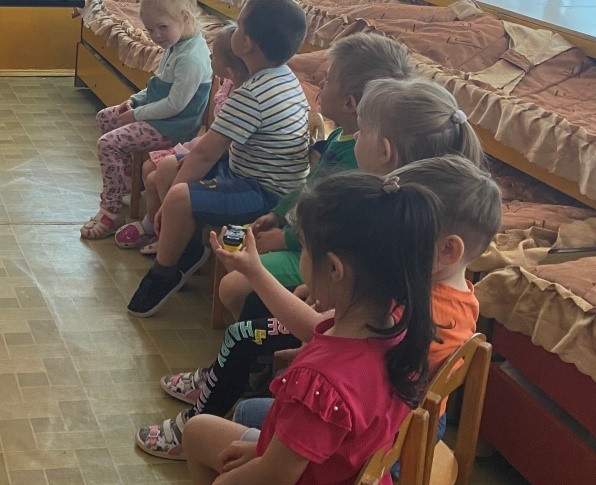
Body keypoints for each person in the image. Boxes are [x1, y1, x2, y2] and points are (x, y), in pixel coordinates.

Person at [142, 75, 485, 457]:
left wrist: (261, 273)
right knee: (250, 350)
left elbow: (328, 330)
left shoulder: (413, 295)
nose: (355, 138)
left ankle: (199, 424)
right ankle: (227, 393)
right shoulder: (424, 261)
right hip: (380, 411)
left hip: (376, 439)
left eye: (363, 132)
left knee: (244, 338)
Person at [123, 171, 439, 485]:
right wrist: (254, 271)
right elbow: (311, 326)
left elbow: (274, 478)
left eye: (304, 249)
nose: (300, 258)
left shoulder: (321, 380)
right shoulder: (391, 328)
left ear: (334, 269)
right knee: (199, 430)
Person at [228, 154, 500, 432]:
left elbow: (315, 329)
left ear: (448, 250)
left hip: (389, 432)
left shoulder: (413, 309)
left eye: (401, 235)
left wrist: (255, 272)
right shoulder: (458, 294)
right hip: (415, 418)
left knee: (247, 412)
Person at [127, 0, 309, 316]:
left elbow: (204, 155)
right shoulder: (282, 76)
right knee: (168, 168)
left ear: (246, 43)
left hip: (264, 191)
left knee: (179, 196)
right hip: (246, 172)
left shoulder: (252, 94)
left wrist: (168, 205)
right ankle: (187, 246)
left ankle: (165, 272)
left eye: (239, 25)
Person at [216, 33, 414, 316]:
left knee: (233, 284)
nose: (320, 83)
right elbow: (309, 187)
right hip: (301, 235)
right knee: (233, 244)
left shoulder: (360, 161)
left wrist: (283, 239)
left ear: (350, 103)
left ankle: (264, 331)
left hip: (317, 252)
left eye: (329, 79)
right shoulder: (339, 136)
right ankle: (262, 318)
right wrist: (276, 214)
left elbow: (336, 224)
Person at [83, 0, 213, 240]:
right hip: (160, 116)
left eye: (162, 27)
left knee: (108, 144)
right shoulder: (176, 45)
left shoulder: (191, 59)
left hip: (173, 127)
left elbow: (175, 105)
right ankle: (126, 178)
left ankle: (111, 211)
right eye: (150, 30)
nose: (156, 36)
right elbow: (158, 85)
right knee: (106, 117)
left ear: (184, 18)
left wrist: (137, 114)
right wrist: (134, 100)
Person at [115, 25, 249, 252]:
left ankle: (168, 232)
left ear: (229, 66)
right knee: (149, 168)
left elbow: (217, 148)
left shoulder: (243, 96)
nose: (209, 58)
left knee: (157, 176)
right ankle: (156, 224)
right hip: (209, 143)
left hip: (219, 152)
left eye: (214, 55)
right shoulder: (228, 83)